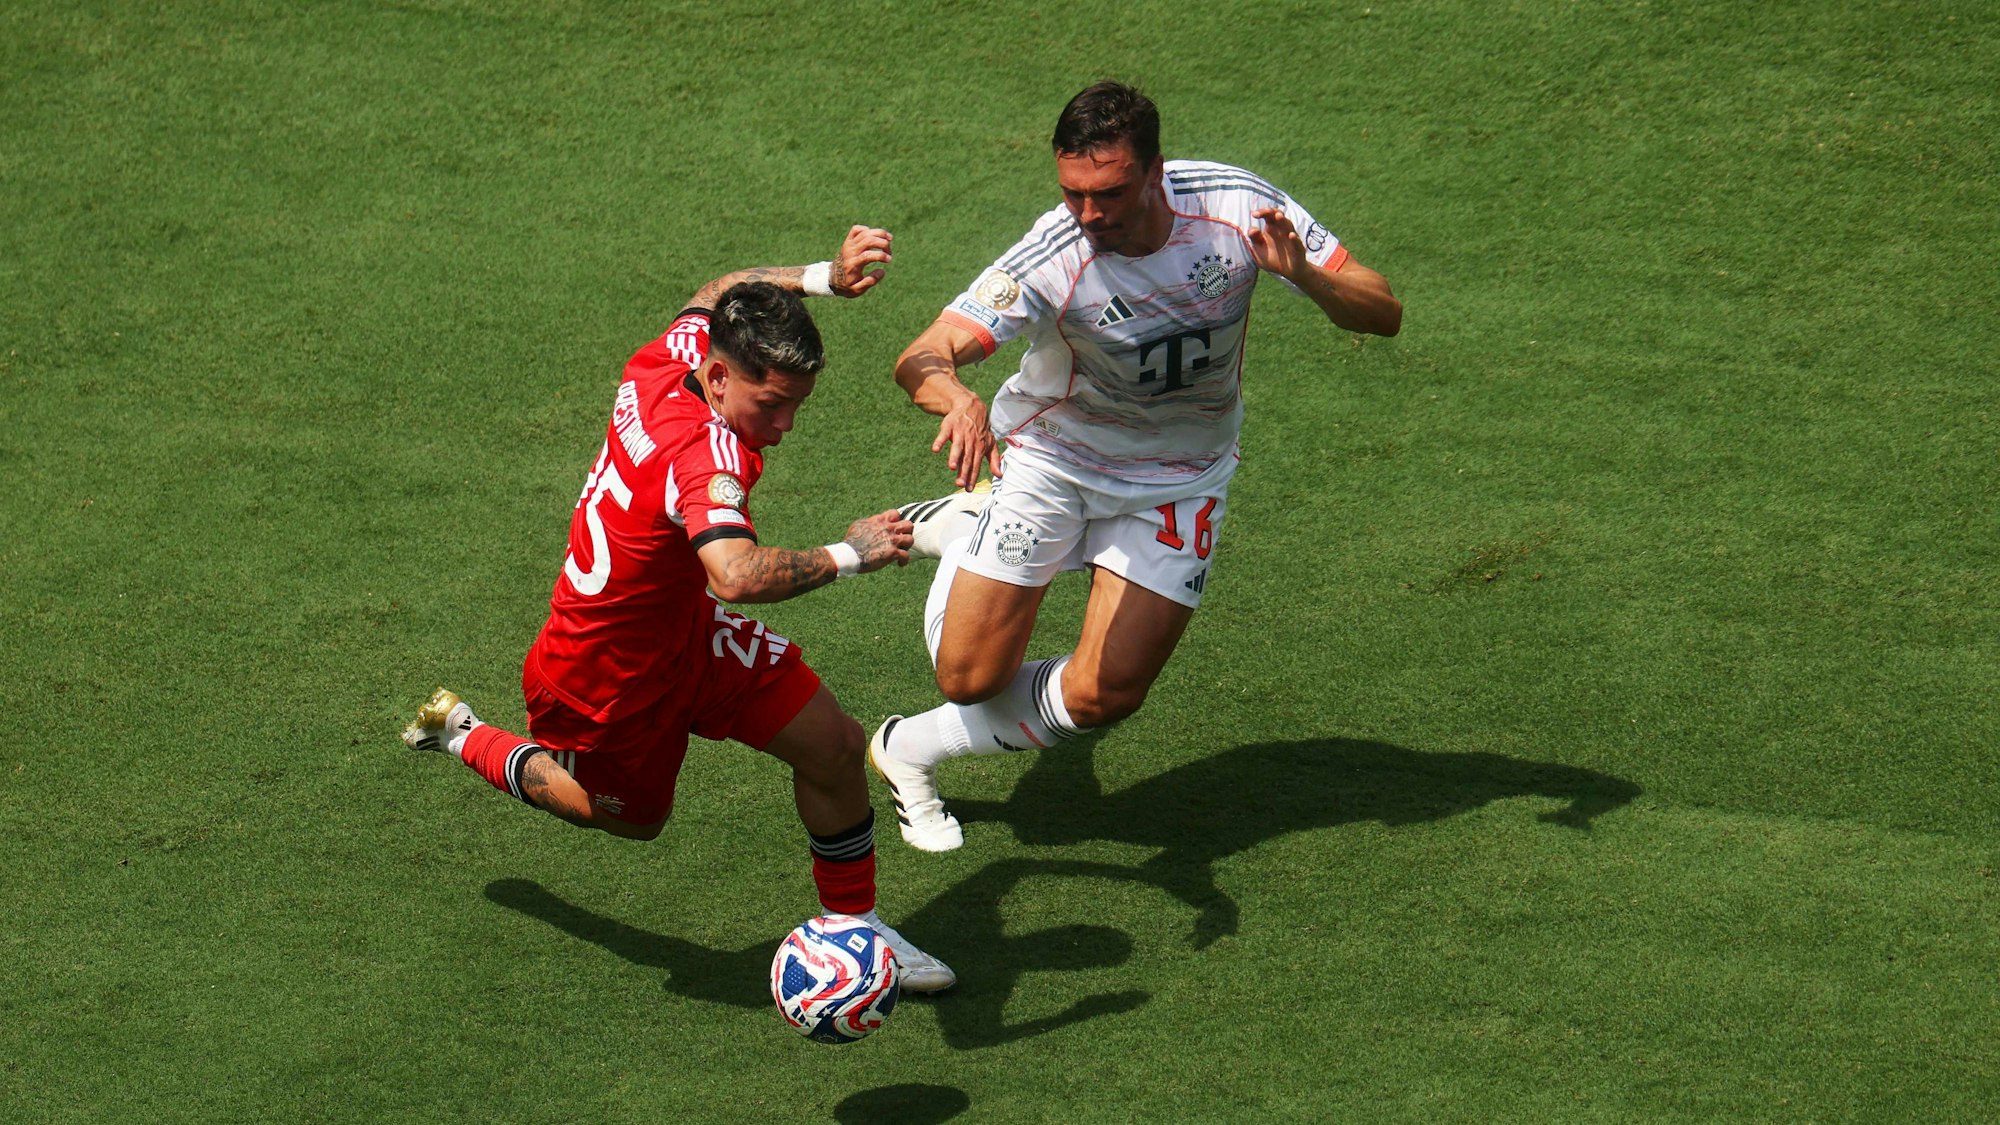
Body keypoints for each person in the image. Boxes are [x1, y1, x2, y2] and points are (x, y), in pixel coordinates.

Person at [402, 225, 955, 991]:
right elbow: (735, 574)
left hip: (683, 632)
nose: (785, 427)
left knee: (833, 745)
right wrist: (852, 551)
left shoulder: (668, 360)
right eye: (774, 404)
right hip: (603, 677)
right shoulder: (705, 455)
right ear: (721, 377)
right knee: (629, 818)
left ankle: (855, 933)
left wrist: (823, 277)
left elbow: (716, 290)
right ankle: (463, 733)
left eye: (797, 404)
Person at [873, 82, 1402, 852]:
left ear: (1158, 172)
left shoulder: (1235, 206)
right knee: (969, 678)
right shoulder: (1054, 253)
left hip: (1181, 477)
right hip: (1055, 466)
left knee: (1108, 692)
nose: (1090, 214)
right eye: (1073, 193)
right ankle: (966, 531)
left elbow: (1383, 311)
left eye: (1111, 192)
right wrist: (956, 397)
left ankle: (910, 745)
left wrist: (1309, 275)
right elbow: (923, 353)